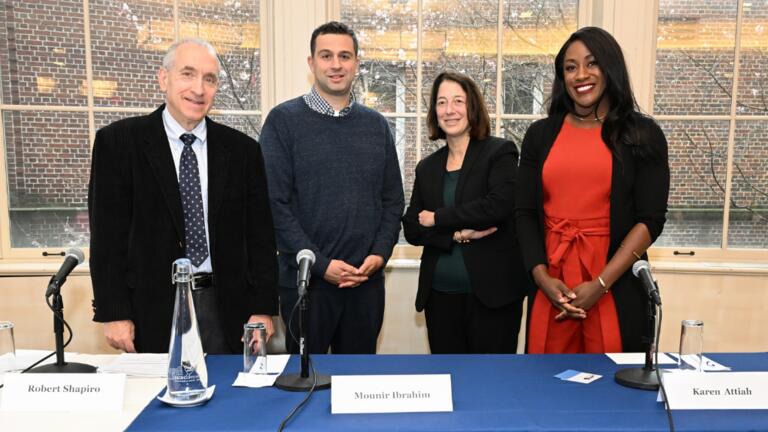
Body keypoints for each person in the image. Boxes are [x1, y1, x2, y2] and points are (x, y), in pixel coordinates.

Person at [88, 38, 279, 354]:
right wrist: (114, 312)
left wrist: (263, 308)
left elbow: (260, 237)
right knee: (158, 398)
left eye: (210, 79)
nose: (199, 89)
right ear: (164, 79)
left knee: (230, 395)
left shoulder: (243, 151)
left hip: (228, 307)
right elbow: (107, 237)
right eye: (188, 74)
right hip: (150, 308)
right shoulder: (118, 143)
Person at [515, 27, 670, 353]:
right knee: (546, 385)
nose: (580, 75)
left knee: (613, 387)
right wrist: (542, 279)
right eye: (570, 67)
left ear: (610, 67)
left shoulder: (644, 134)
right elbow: (525, 212)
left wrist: (601, 284)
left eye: (591, 63)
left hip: (614, 280)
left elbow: (650, 219)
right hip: (551, 284)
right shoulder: (539, 135)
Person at [260, 22, 404, 354]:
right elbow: (275, 205)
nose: (336, 64)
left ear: (356, 63)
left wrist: (379, 254)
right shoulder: (283, 122)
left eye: (344, 56)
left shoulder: (376, 125)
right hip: (305, 285)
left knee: (358, 385)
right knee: (305, 385)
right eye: (326, 56)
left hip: (365, 284)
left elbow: (392, 201)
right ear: (311, 63)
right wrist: (323, 266)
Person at [402, 72, 529, 354]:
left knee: (491, 385)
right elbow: (412, 227)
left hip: (492, 297)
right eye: (442, 102)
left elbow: (497, 207)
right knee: (449, 385)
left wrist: (437, 218)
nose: (450, 110)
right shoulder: (428, 167)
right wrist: (458, 235)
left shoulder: (500, 152)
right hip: (440, 297)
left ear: (472, 106)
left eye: (458, 101)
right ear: (434, 111)